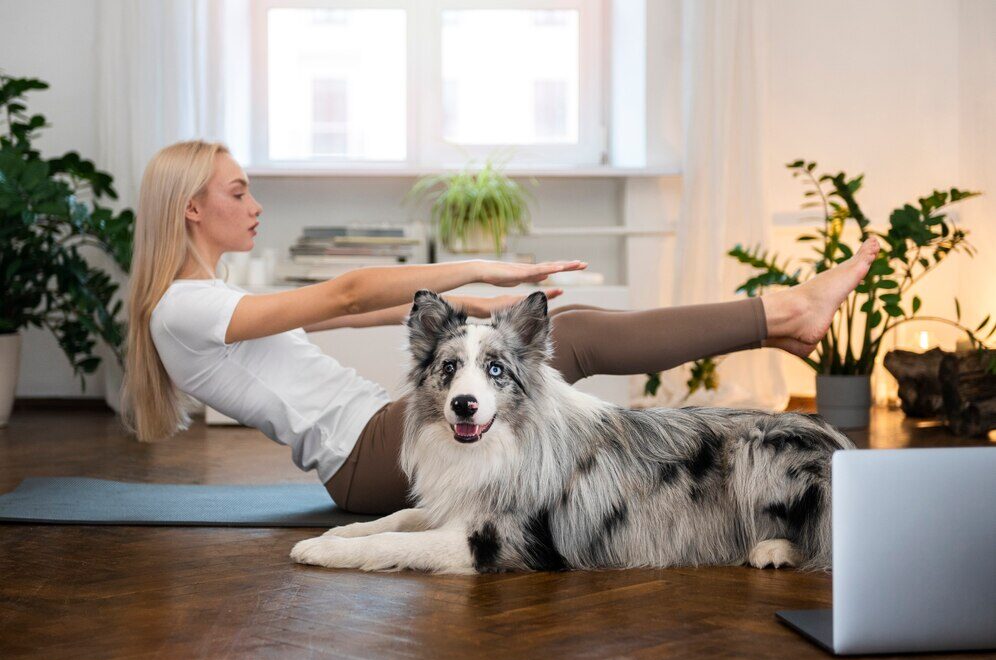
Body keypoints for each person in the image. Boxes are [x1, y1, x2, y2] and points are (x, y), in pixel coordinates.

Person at [121, 140, 880, 515]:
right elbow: (349, 293)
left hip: (373, 439)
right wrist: (487, 272)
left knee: (555, 334)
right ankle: (781, 312)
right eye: (238, 190)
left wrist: (484, 314)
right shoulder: (185, 308)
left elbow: (385, 308)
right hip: (365, 458)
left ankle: (779, 323)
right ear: (193, 207)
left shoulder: (205, 298)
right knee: (571, 336)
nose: (253, 204)